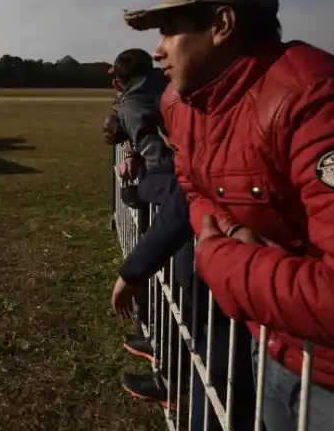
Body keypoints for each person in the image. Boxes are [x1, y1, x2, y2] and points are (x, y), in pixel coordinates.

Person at [123, 0, 334, 430]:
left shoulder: (317, 99)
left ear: (222, 24)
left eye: (170, 30)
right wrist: (227, 230)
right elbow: (192, 182)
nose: (158, 50)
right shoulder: (184, 104)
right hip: (270, 344)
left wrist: (217, 256)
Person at [105, 48, 258, 430]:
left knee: (202, 316)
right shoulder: (173, 91)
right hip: (208, 226)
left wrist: (140, 189)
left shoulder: (159, 101)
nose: (162, 50)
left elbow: (173, 172)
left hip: (207, 236)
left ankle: (175, 383)